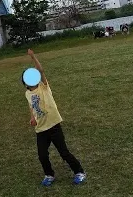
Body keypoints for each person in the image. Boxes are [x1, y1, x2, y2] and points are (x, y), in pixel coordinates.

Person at [23, 49, 86, 187]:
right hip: (40, 129)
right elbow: (31, 106)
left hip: (54, 126)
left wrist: (33, 57)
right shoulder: (28, 93)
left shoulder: (43, 87)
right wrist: (32, 117)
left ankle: (79, 171)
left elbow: (41, 70)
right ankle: (49, 175)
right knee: (42, 155)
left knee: (63, 152)